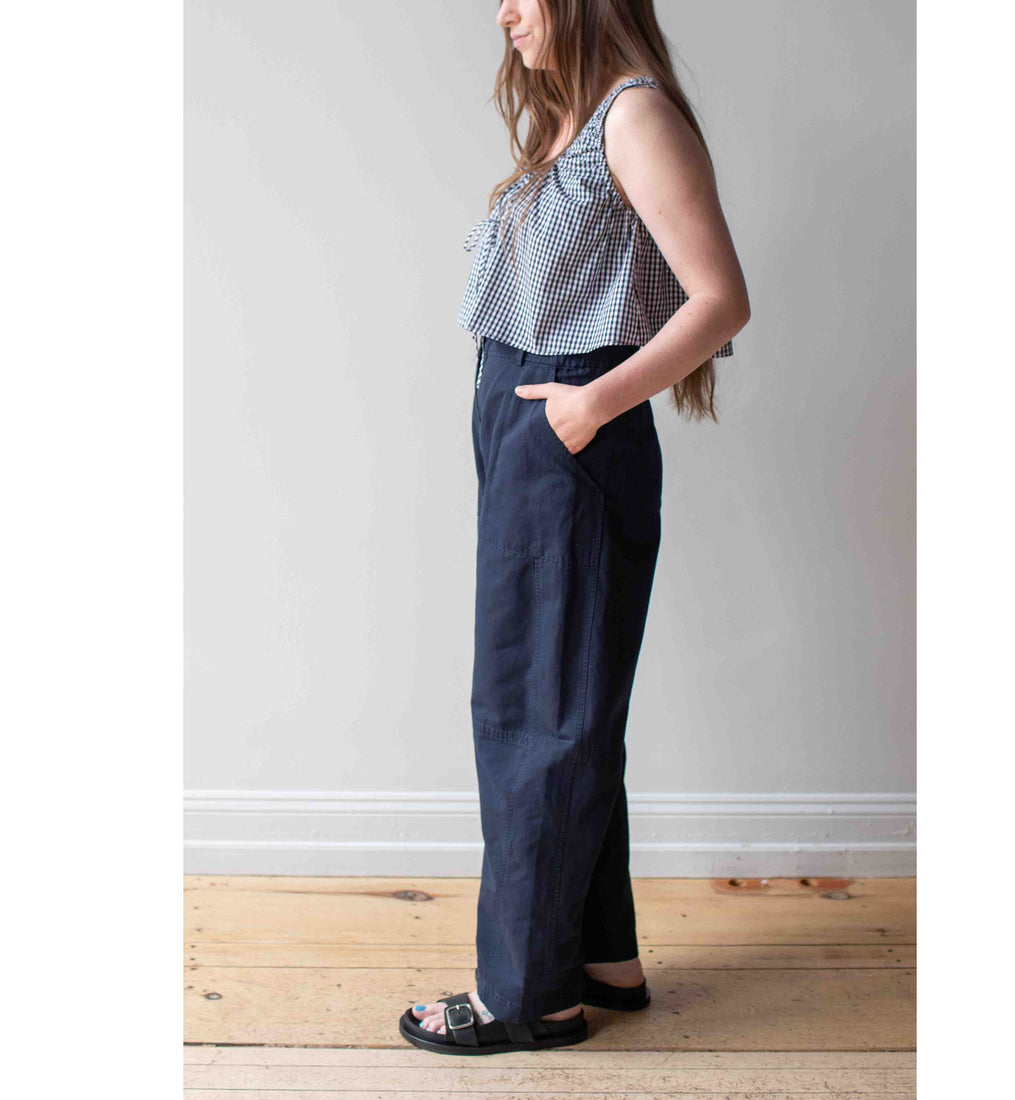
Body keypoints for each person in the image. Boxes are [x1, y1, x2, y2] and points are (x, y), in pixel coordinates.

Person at [399, 0, 750, 1056]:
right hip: (532, 431)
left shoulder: (632, 116)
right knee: (562, 702)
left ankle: (527, 996)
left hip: (568, 434)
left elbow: (719, 298)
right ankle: (599, 956)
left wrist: (591, 404)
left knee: (534, 708)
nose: (503, 11)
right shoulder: (575, 119)